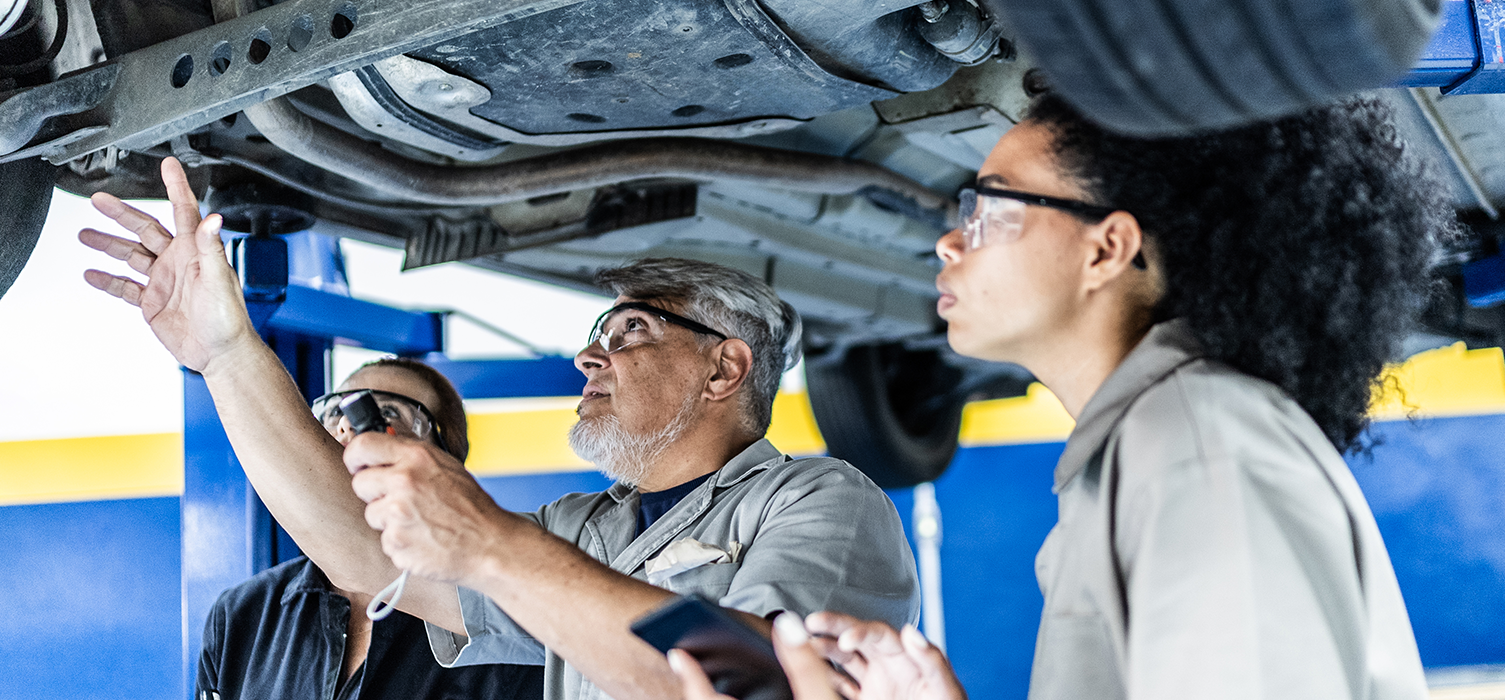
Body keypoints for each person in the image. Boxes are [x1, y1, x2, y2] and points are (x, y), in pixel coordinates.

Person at [671, 94, 1454, 700]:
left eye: (990, 210)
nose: (950, 241)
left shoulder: (1203, 447)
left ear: (1107, 248)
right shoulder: (1157, 445)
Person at [77, 168, 919, 700]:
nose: (591, 354)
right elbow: (363, 558)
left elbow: (744, 684)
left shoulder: (817, 499)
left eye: (629, 332)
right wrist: (226, 354)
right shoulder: (583, 529)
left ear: (724, 370)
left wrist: (490, 544)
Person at [197, 357, 545, 700]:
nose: (348, 425)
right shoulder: (242, 614)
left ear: (446, 462)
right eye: (335, 411)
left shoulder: (501, 619)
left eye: (389, 412)